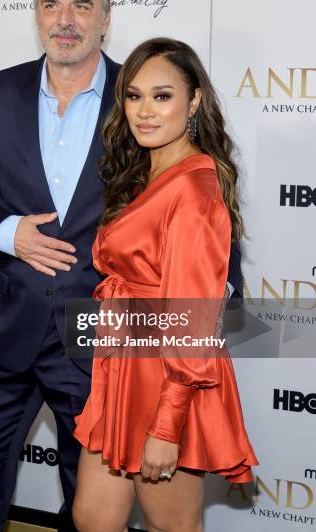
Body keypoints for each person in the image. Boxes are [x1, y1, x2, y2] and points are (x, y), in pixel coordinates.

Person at [0, 0, 242, 532]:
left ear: (107, 17)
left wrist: (213, 300)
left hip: (103, 344)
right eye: (51, 4)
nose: (66, 19)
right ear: (33, 11)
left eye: (83, 5)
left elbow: (197, 206)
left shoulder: (143, 100)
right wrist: (9, 234)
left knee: (90, 503)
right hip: (9, 327)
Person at [72, 38, 258, 532]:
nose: (145, 112)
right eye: (134, 97)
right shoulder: (147, 175)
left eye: (162, 96)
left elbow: (193, 321)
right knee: (92, 518)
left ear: (194, 101)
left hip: (169, 380)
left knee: (170, 526)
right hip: (123, 370)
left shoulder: (194, 188)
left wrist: (166, 426)